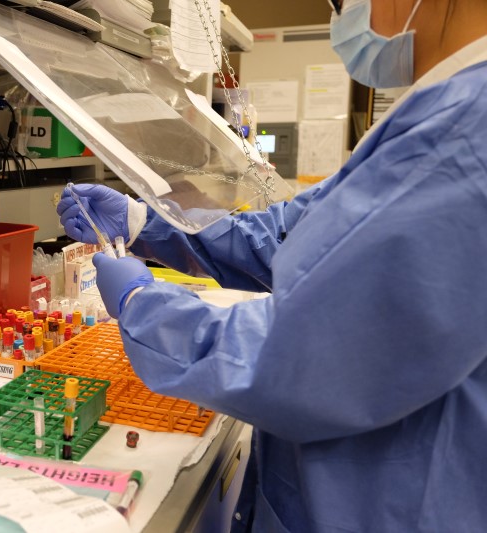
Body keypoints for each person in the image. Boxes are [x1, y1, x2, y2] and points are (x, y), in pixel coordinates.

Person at [56, 0, 487, 530]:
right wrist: (150, 226)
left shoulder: (466, 131)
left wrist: (147, 309)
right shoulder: (447, 112)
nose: (342, 15)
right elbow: (303, 230)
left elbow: (309, 358)